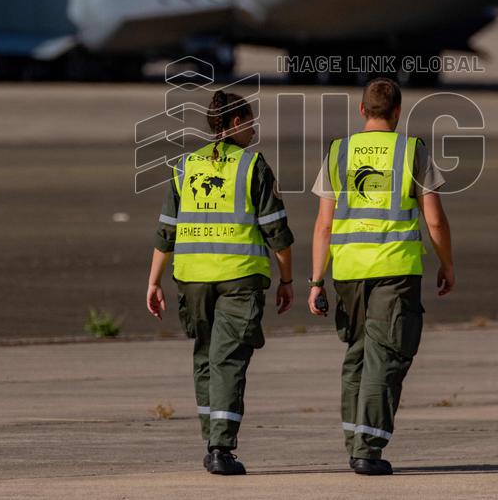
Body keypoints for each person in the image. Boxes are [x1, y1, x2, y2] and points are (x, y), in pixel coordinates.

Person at [307, 77, 455, 475]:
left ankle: (355, 438)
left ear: (362, 111)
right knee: (384, 358)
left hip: (349, 273)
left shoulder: (339, 152)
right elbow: (435, 220)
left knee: (357, 356)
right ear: (397, 112)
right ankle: (367, 449)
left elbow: (324, 225)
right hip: (395, 270)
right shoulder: (412, 150)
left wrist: (316, 280)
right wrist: (447, 263)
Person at [147, 90, 295, 476]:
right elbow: (275, 230)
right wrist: (288, 279)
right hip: (239, 278)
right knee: (228, 360)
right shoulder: (252, 166)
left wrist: (154, 282)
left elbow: (167, 231)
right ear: (232, 124)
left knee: (205, 357)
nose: (254, 128)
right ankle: (220, 446)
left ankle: (210, 436)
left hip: (192, 279)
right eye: (249, 121)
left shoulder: (185, 166)